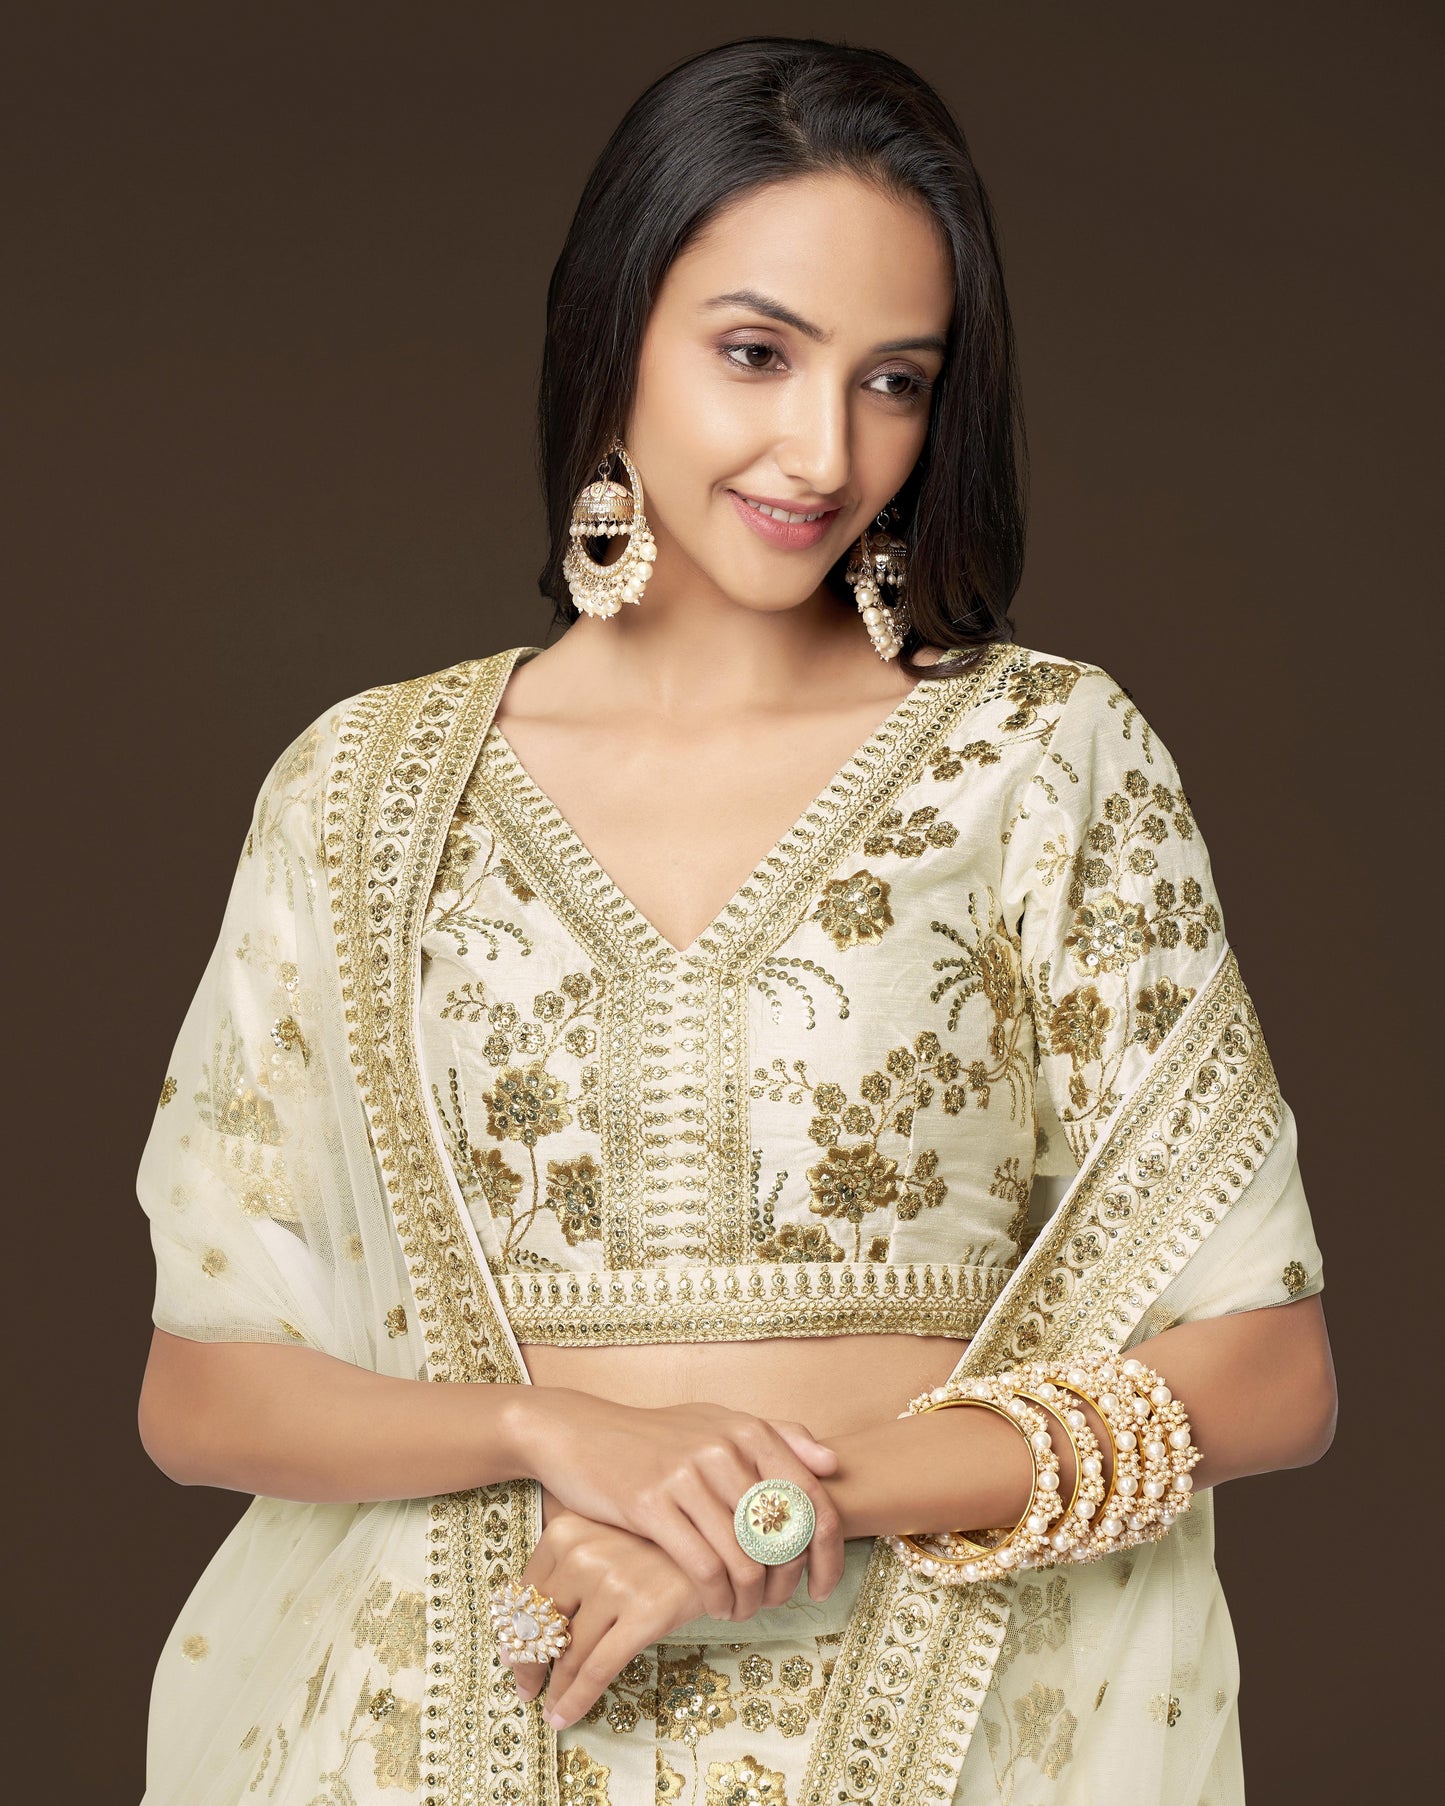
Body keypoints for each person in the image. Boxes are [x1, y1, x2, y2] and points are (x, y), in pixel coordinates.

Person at [134, 35, 1335, 1806]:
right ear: (614, 332)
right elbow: (204, 1389)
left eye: (894, 380)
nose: (821, 446)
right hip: (435, 1709)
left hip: (948, 1704)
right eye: (756, 352)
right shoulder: (364, 785)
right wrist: (554, 1429)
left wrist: (779, 1509)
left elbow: (1263, 1369)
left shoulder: (1037, 754)